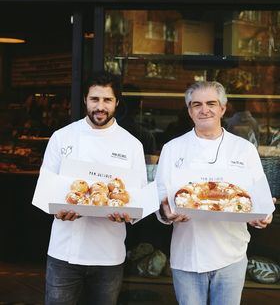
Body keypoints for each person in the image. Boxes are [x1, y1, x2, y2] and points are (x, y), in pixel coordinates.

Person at [155, 81, 274, 305]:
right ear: (189, 111)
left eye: (211, 103)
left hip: (231, 255)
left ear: (223, 108)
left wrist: (264, 214)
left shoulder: (244, 149)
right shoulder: (172, 149)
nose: (204, 109)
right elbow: (161, 202)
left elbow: (260, 198)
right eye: (196, 104)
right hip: (187, 255)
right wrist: (165, 214)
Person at [40, 71, 147, 305]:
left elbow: (139, 198)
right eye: (94, 99)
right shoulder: (62, 138)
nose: (100, 106)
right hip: (64, 251)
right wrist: (55, 208)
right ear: (85, 101)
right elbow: (46, 188)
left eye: (107, 100)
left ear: (117, 102)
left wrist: (129, 215)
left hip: (108, 255)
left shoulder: (131, 145)